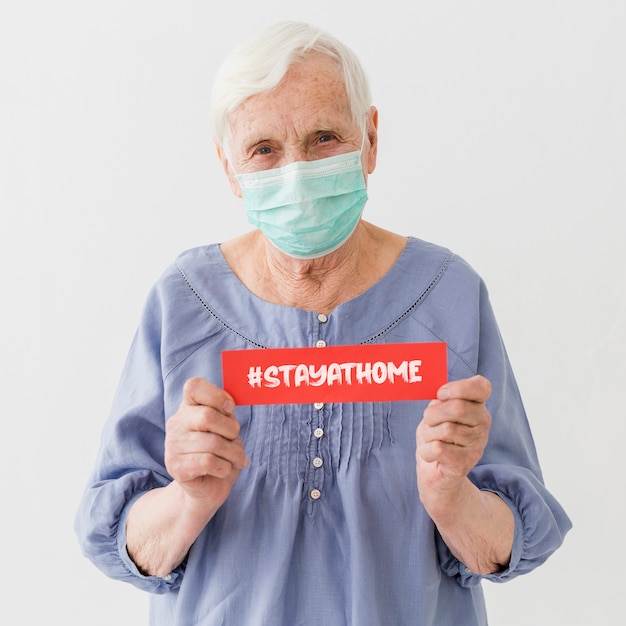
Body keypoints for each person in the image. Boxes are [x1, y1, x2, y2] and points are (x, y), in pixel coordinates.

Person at [74, 20, 571, 626]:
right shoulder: (182, 304)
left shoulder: (449, 297)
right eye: (263, 149)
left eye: (324, 138)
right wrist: (188, 499)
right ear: (229, 167)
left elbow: (511, 543)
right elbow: (118, 543)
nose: (297, 173)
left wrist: (453, 499)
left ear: (370, 139)